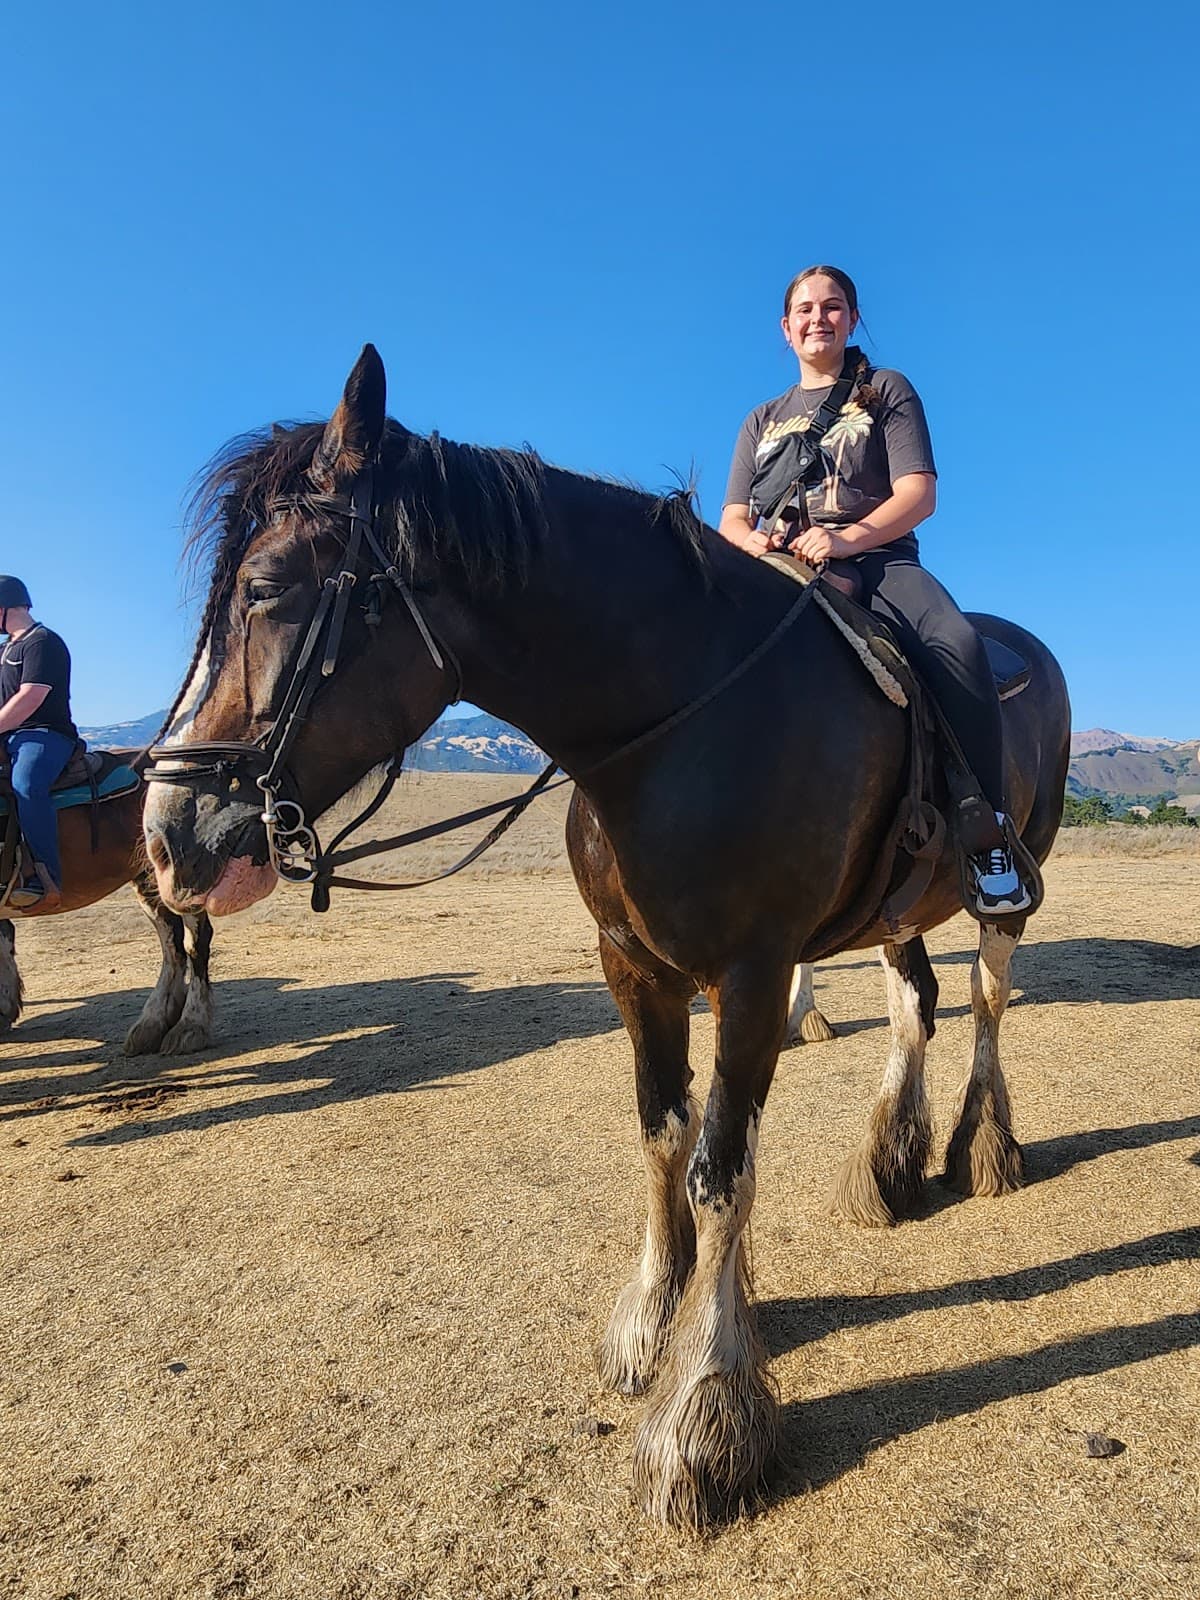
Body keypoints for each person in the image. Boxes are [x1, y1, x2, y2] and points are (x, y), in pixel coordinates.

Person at [718, 264, 1031, 916]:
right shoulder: (761, 419)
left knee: (955, 645)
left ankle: (988, 834)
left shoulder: (885, 389)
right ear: (785, 327)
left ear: (852, 320)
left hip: (881, 561)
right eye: (804, 309)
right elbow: (733, 519)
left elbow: (919, 493)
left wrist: (848, 537)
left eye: (832, 307)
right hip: (782, 567)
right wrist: (752, 544)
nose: (817, 318)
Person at [0, 576, 79, 910]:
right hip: (8, 736)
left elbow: (30, 698)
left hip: (43, 734)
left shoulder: (42, 642)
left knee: (26, 784)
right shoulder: (6, 649)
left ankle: (45, 876)